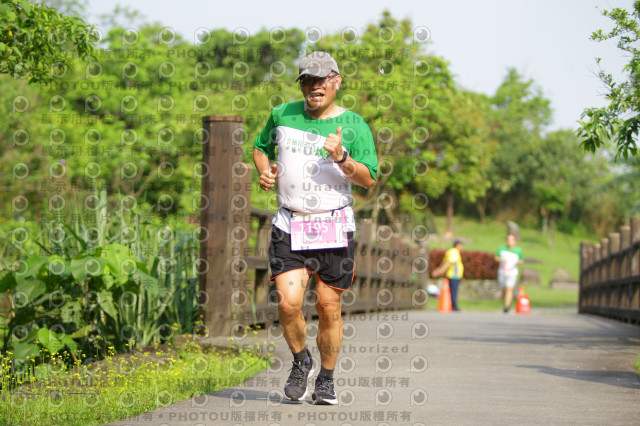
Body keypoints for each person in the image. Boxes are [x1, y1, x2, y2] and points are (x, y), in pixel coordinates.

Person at [253, 51, 378, 405]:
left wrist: (342, 157)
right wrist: (263, 169)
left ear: (337, 81)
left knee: (328, 306)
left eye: (321, 80)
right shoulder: (282, 114)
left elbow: (369, 179)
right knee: (289, 303)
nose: (314, 87)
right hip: (289, 223)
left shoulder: (355, 125)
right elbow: (260, 149)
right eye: (307, 80)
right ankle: (300, 361)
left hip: (334, 225)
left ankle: (326, 378)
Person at [495, 234, 524, 312]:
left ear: (515, 241)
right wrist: (502, 260)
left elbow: (521, 260)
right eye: (508, 239)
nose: (509, 241)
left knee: (509, 288)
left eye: (511, 240)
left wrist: (518, 262)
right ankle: (506, 300)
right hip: (502, 272)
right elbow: (496, 258)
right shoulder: (502, 248)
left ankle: (507, 306)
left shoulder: (518, 250)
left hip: (512, 272)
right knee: (504, 289)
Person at [432, 240, 464, 311]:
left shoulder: (450, 251)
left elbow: (444, 262)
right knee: (453, 291)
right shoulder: (454, 252)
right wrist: (441, 271)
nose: (462, 247)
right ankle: (454, 306)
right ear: (458, 245)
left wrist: (438, 270)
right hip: (454, 275)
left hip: (453, 275)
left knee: (452, 291)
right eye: (461, 245)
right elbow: (448, 262)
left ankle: (453, 305)